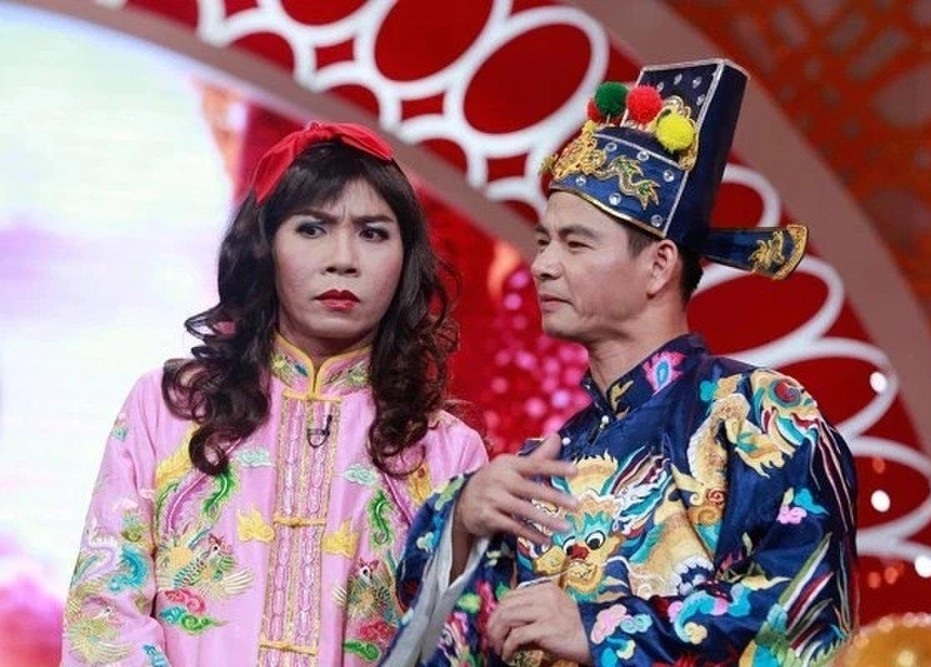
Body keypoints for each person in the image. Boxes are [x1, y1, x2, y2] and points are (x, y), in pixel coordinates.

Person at [383, 58, 857, 666]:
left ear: (658, 266)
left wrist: (602, 632)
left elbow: (804, 613)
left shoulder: (758, 416)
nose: (543, 266)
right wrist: (461, 525)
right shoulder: (543, 464)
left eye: (575, 243)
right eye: (544, 242)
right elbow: (456, 643)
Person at [61, 122, 489, 666]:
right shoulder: (170, 407)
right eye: (312, 229)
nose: (343, 258)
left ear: (406, 259)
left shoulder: (447, 450)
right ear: (265, 247)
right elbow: (104, 610)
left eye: (372, 233)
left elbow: (459, 643)